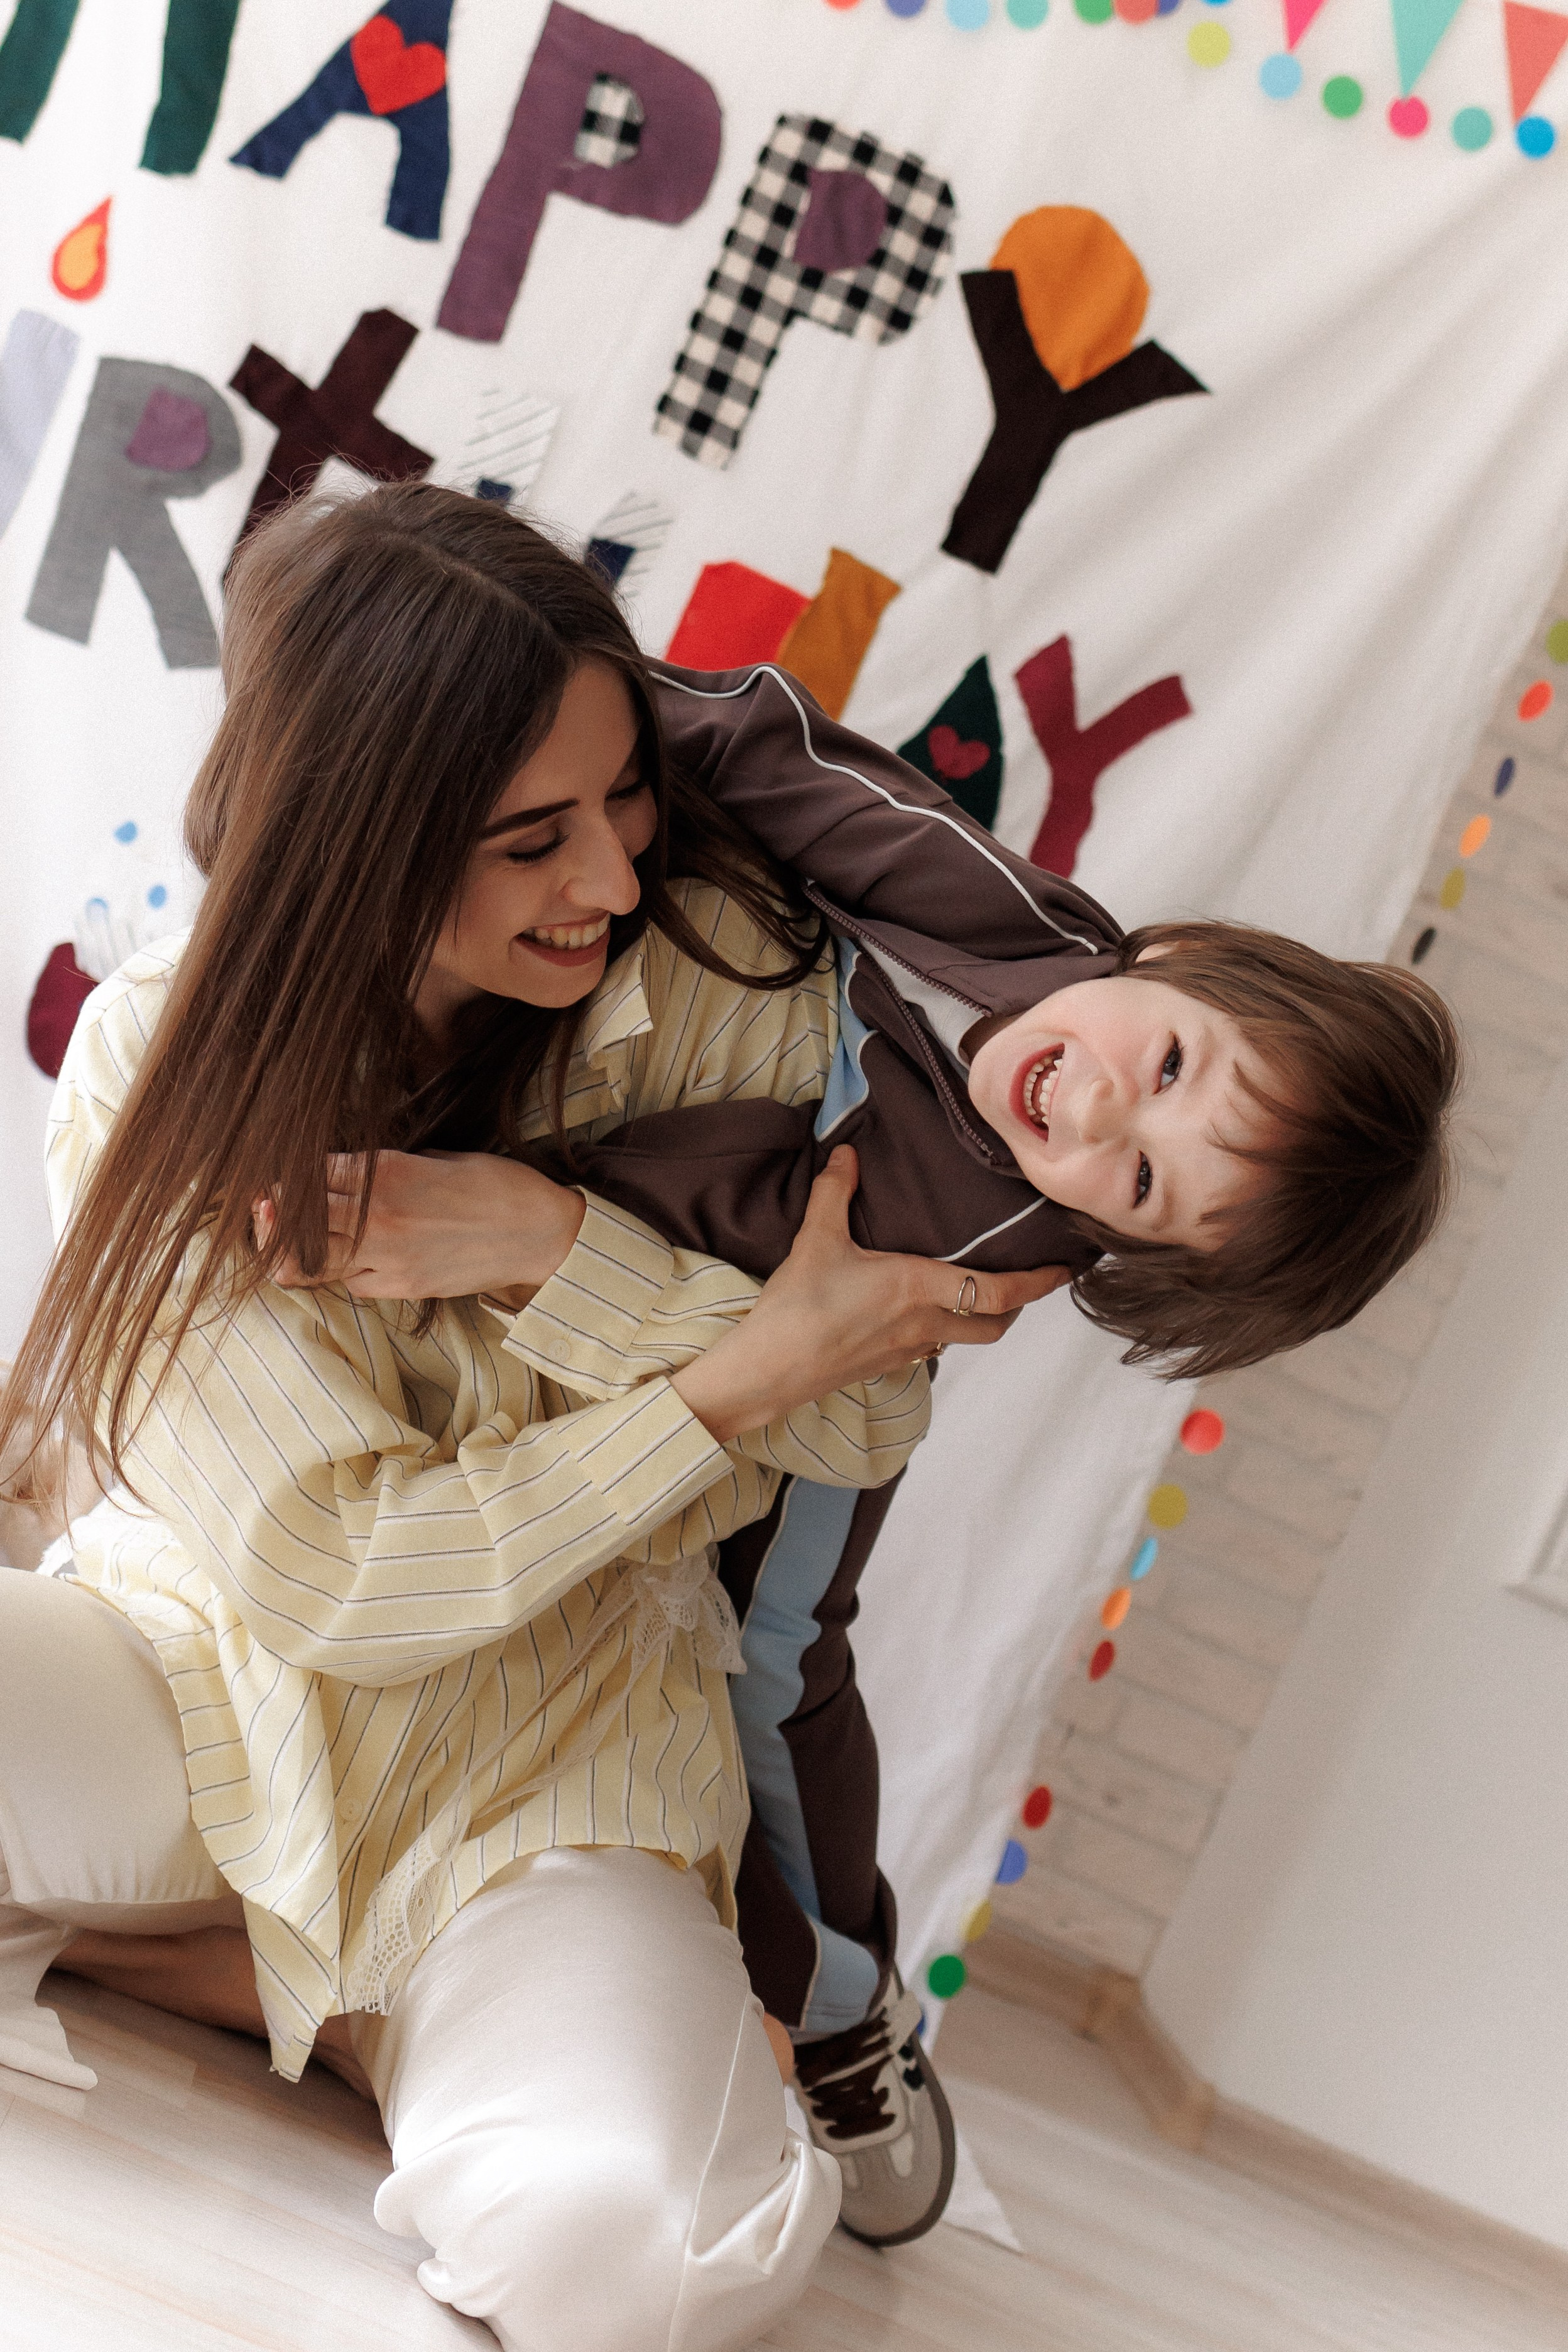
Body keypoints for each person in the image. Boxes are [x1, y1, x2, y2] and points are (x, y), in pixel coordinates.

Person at [0, 482, 1060, 2352]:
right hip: (189, 1682)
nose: (614, 879)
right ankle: (290, 1987)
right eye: (531, 839)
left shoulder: (737, 1002)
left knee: (648, 2257)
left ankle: (262, 1983)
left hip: (547, 1780)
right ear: (357, 838)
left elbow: (870, 1409)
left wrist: (545, 1240)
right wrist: (733, 1369)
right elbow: (339, 1575)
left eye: (625, 799)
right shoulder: (152, 1062)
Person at [313, 647, 1459, 2248]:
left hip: (816, 1391)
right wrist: (615, 722)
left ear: (1109, 1250)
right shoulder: (1033, 926)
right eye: (1176, 1064)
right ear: (1179, 957)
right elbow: (802, 773)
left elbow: (735, 1236)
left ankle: (846, 2008)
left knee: (769, 1681)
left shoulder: (982, 1213)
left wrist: (516, 1199)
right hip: (726, 1300)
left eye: (1136, 1186)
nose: (1097, 1114)